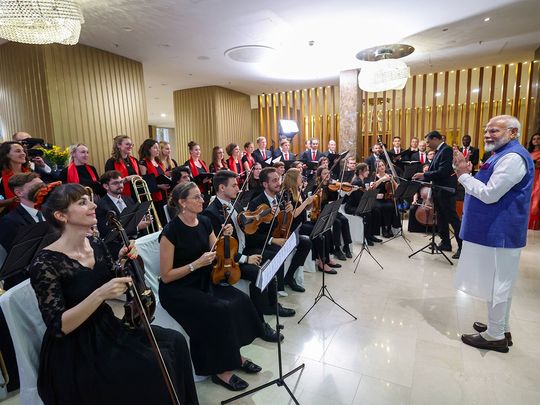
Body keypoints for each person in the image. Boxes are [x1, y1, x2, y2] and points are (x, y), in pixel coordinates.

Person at [28, 183, 198, 404]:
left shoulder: (95, 243)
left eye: (90, 200)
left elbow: (113, 279)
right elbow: (59, 327)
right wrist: (100, 294)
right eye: (82, 203)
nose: (92, 205)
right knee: (152, 364)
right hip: (75, 348)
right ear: (61, 215)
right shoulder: (44, 262)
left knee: (176, 341)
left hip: (107, 326)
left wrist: (123, 261)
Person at [159, 182, 264, 391]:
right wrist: (196, 264)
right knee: (218, 310)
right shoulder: (170, 232)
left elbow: (217, 253)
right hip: (178, 289)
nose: (202, 200)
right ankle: (220, 371)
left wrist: (225, 238)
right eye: (196, 197)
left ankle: (235, 356)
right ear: (182, 202)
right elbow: (166, 276)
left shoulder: (205, 222)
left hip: (204, 279)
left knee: (240, 301)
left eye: (201, 196)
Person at [453, 115, 534, 353]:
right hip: (498, 229)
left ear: (513, 133)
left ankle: (495, 336)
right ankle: (501, 327)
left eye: (495, 131)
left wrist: (463, 176)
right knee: (499, 281)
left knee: (499, 282)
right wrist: (470, 172)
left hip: (502, 231)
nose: (488, 134)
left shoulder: (512, 158)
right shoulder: (501, 154)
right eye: (486, 130)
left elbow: (490, 194)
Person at [202, 170, 293, 338]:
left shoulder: (235, 203)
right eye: (234, 185)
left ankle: (271, 305)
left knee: (272, 261)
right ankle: (260, 325)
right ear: (222, 187)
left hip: (244, 248)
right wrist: (246, 259)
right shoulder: (211, 213)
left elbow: (247, 228)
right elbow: (219, 250)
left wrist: (264, 217)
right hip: (230, 260)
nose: (239, 188)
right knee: (259, 273)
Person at [244, 167, 312, 293]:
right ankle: (278, 288)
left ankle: (289, 277)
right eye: (274, 181)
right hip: (264, 241)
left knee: (305, 242)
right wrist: (273, 240)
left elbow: (284, 222)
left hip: (280, 234)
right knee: (278, 251)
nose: (279, 183)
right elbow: (252, 235)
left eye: (279, 179)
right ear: (265, 184)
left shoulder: (280, 196)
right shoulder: (256, 203)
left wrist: (289, 212)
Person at [413, 131, 462, 259]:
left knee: (453, 219)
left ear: (436, 139)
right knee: (441, 218)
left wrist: (424, 175)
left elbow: (443, 171)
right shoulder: (440, 151)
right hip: (438, 190)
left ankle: (462, 247)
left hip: (446, 190)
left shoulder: (446, 150)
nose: (427, 145)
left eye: (428, 142)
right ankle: (445, 243)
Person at [282, 168, 340, 274]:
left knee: (325, 227)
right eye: (300, 177)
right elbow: (293, 215)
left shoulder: (299, 191)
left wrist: (313, 200)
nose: (302, 178)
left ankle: (325, 259)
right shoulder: (287, 194)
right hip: (295, 226)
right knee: (319, 232)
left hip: (303, 222)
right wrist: (305, 203)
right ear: (294, 179)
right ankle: (323, 262)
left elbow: (307, 208)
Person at [95, 170, 151, 253]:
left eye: (121, 182)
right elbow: (108, 233)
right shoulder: (100, 205)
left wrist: (143, 219)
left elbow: (134, 220)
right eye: (115, 183)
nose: (120, 185)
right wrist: (137, 227)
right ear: (106, 186)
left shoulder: (128, 199)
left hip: (137, 241)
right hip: (118, 247)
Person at [314, 166, 353, 259]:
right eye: (324, 173)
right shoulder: (317, 187)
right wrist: (327, 203)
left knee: (345, 220)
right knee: (337, 222)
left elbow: (341, 202)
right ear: (319, 176)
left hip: (333, 211)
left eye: (328, 173)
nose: (327, 175)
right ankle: (337, 248)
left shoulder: (334, 185)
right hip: (324, 212)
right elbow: (317, 204)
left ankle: (346, 246)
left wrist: (347, 194)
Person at [138, 139, 169, 226]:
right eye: (155, 148)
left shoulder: (157, 162)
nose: (158, 150)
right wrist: (159, 186)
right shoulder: (143, 162)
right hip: (153, 196)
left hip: (162, 194)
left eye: (158, 148)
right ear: (148, 149)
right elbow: (144, 182)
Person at [104, 135, 140, 200]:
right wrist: (127, 178)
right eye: (127, 144)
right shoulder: (111, 162)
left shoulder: (134, 160)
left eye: (131, 144)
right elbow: (110, 183)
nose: (130, 147)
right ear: (118, 145)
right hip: (121, 196)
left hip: (137, 194)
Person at [371, 160, 400, 238]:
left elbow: (397, 187)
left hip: (388, 197)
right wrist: (381, 179)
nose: (381, 167)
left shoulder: (389, 175)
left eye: (382, 165)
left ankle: (389, 228)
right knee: (381, 207)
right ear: (376, 169)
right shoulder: (374, 176)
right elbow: (372, 187)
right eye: (379, 166)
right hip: (378, 198)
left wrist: (392, 180)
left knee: (391, 206)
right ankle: (383, 228)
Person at [0, 141, 31, 210]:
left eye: (23, 151)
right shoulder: (1, 177)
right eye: (18, 151)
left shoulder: (30, 172)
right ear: (6, 155)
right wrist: (11, 201)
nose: (23, 154)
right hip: (12, 215)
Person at [527, 132, 540, 230]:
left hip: (538, 177)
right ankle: (527, 225)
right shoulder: (529, 153)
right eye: (534, 139)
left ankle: (534, 226)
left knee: (536, 200)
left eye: (538, 138)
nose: (536, 140)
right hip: (530, 177)